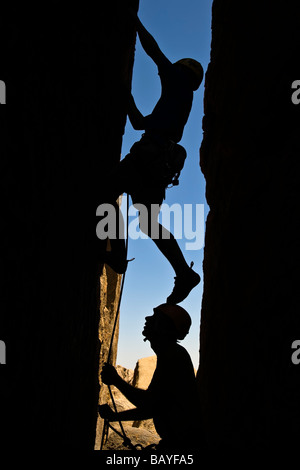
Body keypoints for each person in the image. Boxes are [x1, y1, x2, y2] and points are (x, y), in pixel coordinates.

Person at [102, 9, 203, 304]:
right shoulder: (178, 103)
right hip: (158, 164)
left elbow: (154, 51)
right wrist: (129, 100)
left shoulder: (178, 81)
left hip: (147, 157)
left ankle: (117, 254)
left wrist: (133, 21)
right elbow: (139, 123)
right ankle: (183, 271)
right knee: (149, 223)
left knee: (107, 192)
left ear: (184, 70)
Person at [99, 303, 199, 451]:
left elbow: (150, 405)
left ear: (165, 327)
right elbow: (155, 407)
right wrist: (114, 417)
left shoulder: (174, 356)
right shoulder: (172, 354)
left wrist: (116, 381)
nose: (147, 318)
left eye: (155, 317)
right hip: (179, 445)